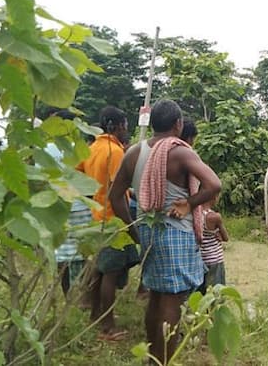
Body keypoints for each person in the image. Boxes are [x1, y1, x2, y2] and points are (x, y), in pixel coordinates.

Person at [109, 99, 220, 364]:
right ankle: (165, 360)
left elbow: (115, 197)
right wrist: (189, 203)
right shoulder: (180, 151)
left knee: (156, 296)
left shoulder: (133, 153)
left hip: (148, 232)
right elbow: (214, 184)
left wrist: (135, 229)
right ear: (178, 124)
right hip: (176, 233)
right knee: (172, 300)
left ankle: (153, 357)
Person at [77, 106, 139, 341]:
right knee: (110, 274)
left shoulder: (91, 148)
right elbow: (116, 193)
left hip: (96, 218)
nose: (126, 130)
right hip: (112, 220)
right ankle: (108, 326)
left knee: (98, 271)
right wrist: (130, 225)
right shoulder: (115, 151)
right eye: (124, 125)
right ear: (114, 126)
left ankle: (95, 315)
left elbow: (80, 178)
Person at [44, 110, 93, 300]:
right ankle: (82, 296)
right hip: (80, 206)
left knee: (61, 254)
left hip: (55, 208)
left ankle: (66, 295)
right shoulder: (80, 150)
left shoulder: (45, 150)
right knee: (82, 253)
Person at [197, 197, 229, 294]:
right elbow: (226, 237)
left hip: (200, 259)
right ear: (214, 197)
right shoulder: (214, 217)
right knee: (216, 293)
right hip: (215, 260)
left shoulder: (195, 214)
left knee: (201, 292)